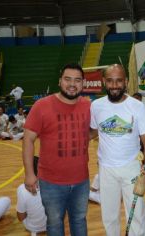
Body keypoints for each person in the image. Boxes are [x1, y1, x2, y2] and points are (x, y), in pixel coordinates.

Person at [22, 63, 91, 236]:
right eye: (68, 79)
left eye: (77, 80)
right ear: (60, 81)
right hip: (51, 182)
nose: (72, 84)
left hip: (81, 180)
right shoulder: (41, 105)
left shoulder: (88, 105)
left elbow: (93, 130)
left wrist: (85, 137)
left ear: (83, 83)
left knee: (79, 220)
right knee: (54, 222)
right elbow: (28, 140)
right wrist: (30, 173)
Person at [90, 64, 145, 236]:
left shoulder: (137, 106)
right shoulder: (96, 106)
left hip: (132, 169)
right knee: (109, 216)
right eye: (110, 81)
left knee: (137, 218)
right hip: (106, 169)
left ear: (126, 82)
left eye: (119, 81)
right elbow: (94, 130)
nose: (114, 85)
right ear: (104, 82)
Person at [17, 156, 47, 234]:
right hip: (52, 224)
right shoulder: (52, 183)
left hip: (32, 227)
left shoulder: (22, 189)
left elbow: (21, 217)